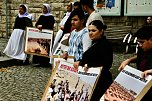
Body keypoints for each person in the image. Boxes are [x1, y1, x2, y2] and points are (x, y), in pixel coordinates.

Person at [73, 20, 113, 101]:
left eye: (94, 31)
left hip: (100, 82)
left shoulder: (105, 45)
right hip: (91, 80)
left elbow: (106, 63)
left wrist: (89, 65)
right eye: (89, 30)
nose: (90, 33)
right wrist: (80, 62)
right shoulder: (94, 42)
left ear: (101, 31)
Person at [118, 26, 152, 101]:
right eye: (138, 42)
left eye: (142, 42)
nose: (140, 45)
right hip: (142, 84)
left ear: (151, 39)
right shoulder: (142, 48)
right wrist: (129, 60)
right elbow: (140, 57)